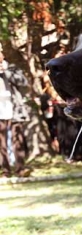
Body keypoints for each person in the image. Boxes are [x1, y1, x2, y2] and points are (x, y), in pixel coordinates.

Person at [0, 42, 31, 178]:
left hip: (14, 108)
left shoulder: (12, 69)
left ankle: (20, 168)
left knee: (17, 139)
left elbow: (23, 82)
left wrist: (6, 71)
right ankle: (5, 170)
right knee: (1, 141)